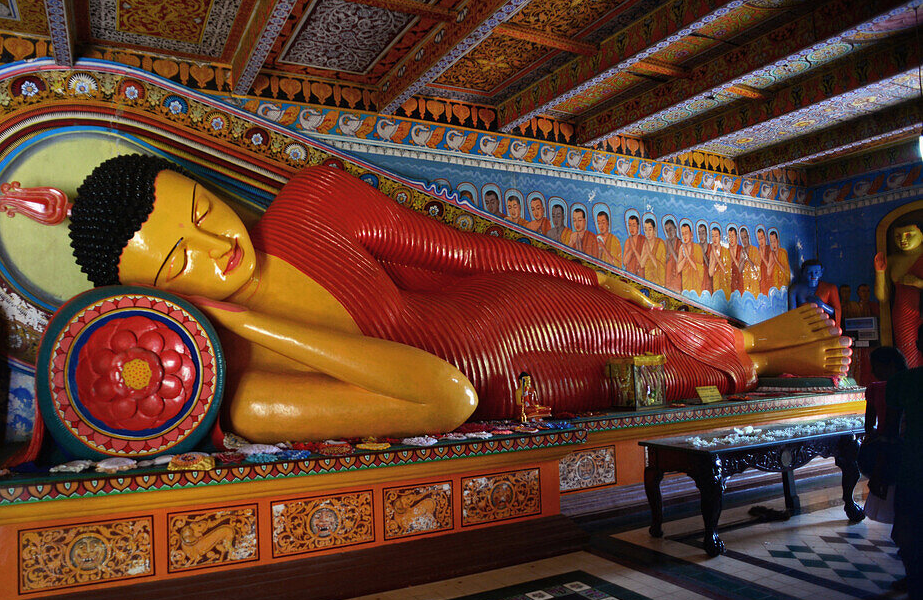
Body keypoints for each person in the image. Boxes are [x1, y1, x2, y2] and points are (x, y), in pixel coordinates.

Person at [53, 155, 851, 442]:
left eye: (202, 211)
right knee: (656, 380)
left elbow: (461, 251)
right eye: (179, 264)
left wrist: (581, 276)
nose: (217, 245)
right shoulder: (250, 390)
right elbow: (446, 395)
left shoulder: (309, 206)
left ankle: (763, 343)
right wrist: (247, 321)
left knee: (641, 326)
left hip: (511, 304)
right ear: (151, 302)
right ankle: (761, 361)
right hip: (507, 387)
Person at [885, 324, 923, 600]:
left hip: (913, 466)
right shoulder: (906, 382)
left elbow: (890, 431)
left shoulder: (905, 383)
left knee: (911, 532)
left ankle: (916, 587)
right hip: (913, 466)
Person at [860, 346, 907, 526]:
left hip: (888, 447)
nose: (873, 371)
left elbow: (869, 425)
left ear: (890, 365)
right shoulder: (908, 383)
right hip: (901, 445)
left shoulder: (877, 389)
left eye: (876, 366)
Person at [875, 223, 923, 368]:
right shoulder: (893, 261)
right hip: (904, 314)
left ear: (921, 235)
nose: (903, 239)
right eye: (898, 236)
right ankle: (912, 386)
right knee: (909, 355)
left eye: (909, 234)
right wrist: (880, 273)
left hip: (920, 308)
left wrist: (918, 283)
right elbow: (883, 297)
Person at [788, 259, 842, 327]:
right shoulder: (795, 289)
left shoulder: (830, 288)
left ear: (821, 272)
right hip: (804, 326)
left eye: (816, 272)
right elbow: (792, 315)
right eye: (809, 272)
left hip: (824, 326)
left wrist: (822, 305)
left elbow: (837, 312)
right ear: (802, 272)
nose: (813, 275)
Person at [676, 222, 705, 293]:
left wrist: (688, 256)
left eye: (686, 233)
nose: (684, 236)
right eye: (682, 234)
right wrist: (685, 258)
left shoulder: (697, 248)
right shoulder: (681, 248)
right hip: (686, 284)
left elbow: (698, 268)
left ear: (691, 234)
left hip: (696, 285)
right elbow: (678, 269)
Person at [641, 217, 666, 285]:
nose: (648, 233)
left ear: (654, 230)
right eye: (646, 230)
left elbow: (660, 267)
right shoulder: (645, 244)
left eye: (650, 229)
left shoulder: (660, 243)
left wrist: (650, 253)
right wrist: (646, 253)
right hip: (648, 280)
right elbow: (642, 264)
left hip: (659, 281)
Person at [708, 226, 731, 295]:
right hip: (716, 286)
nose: (714, 239)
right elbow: (710, 273)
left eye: (716, 236)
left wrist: (717, 258)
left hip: (726, 286)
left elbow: (726, 271)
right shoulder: (712, 253)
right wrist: (714, 259)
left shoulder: (726, 251)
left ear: (720, 237)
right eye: (712, 236)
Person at [623, 214, 646, 278]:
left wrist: (634, 249)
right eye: (630, 225)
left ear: (638, 226)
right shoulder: (628, 241)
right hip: (630, 273)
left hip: (640, 275)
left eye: (634, 225)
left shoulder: (643, 240)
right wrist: (631, 249)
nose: (631, 228)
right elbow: (624, 262)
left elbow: (643, 263)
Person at [663, 218, 681, 292]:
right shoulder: (665, 244)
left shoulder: (681, 244)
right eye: (667, 231)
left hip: (677, 279)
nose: (669, 233)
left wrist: (671, 249)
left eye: (670, 229)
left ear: (675, 229)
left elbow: (679, 262)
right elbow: (663, 262)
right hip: (668, 278)